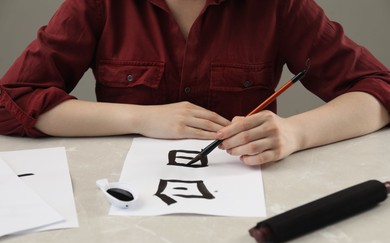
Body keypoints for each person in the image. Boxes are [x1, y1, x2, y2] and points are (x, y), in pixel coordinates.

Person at [1, 0, 390, 166]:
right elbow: (12, 100)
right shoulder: (100, 4)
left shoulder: (276, 5)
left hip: (249, 190)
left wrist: (294, 133)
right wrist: (141, 118)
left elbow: (377, 88)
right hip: (124, 201)